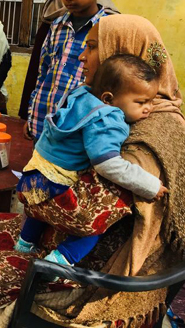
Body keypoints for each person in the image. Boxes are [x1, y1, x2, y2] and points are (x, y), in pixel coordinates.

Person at [0, 14, 185, 328]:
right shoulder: (117, 107)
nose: (81, 56)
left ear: (120, 55)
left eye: (91, 47)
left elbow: (87, 215)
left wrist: (33, 196)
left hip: (91, 268)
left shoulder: (145, 141)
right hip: (70, 232)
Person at [15, 54, 168, 268]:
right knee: (94, 227)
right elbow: (108, 165)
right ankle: (60, 262)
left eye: (151, 101)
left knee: (39, 209)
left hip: (31, 177)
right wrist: (150, 185)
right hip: (57, 187)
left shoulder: (80, 95)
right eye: (141, 102)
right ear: (108, 99)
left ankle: (24, 243)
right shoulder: (107, 118)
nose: (149, 108)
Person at [18, 0, 119, 120]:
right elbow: (44, 73)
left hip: (77, 126)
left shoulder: (108, 29)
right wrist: (32, 115)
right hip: (44, 122)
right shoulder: (56, 26)